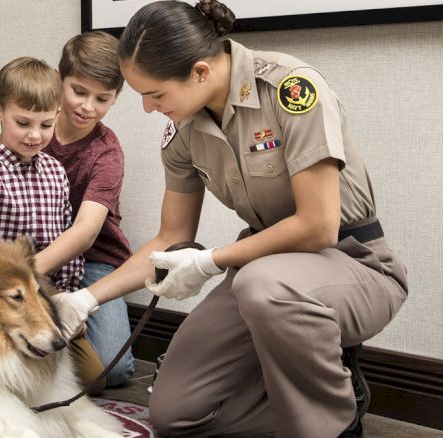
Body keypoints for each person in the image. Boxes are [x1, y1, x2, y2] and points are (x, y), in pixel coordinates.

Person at [52, 1, 408, 437]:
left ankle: (331, 424)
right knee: (176, 412)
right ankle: (331, 395)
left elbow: (319, 226)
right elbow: (171, 237)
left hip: (353, 262)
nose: (147, 108)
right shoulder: (181, 130)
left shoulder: (290, 89)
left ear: (200, 72)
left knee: (262, 287)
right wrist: (85, 299)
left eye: (156, 94)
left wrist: (210, 261)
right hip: (261, 273)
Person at [0, 56, 106, 392]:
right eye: (23, 123)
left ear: (57, 117)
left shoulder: (55, 173)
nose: (34, 135)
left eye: (45, 125)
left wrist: (69, 301)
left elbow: (66, 243)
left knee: (93, 378)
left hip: (43, 296)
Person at [37, 31, 135, 387]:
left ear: (116, 98)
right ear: (58, 78)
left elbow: (86, 232)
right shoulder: (35, 131)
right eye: (78, 91)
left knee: (115, 369)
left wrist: (28, 273)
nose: (87, 107)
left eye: (102, 98)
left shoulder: (107, 152)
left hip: (95, 259)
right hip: (35, 248)